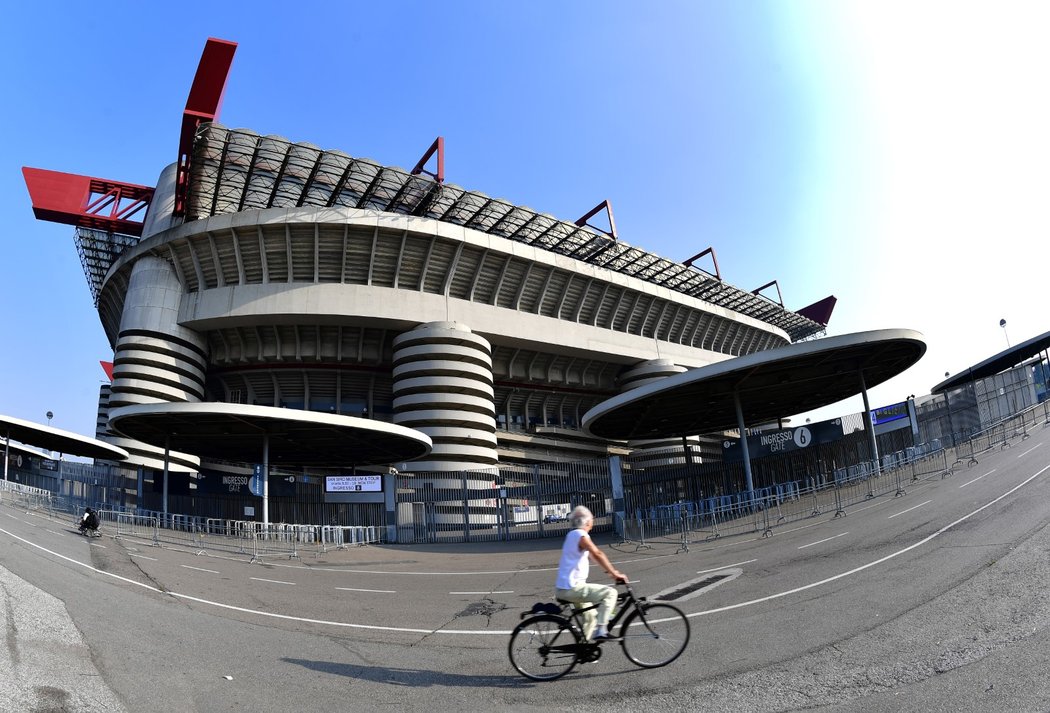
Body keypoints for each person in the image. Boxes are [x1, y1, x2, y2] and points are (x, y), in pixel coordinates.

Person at [555, 505, 627, 641]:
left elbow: (593, 556)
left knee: (590, 617)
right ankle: (601, 631)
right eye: (592, 519)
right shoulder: (580, 535)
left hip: (564, 588)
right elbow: (597, 553)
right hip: (573, 588)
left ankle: (582, 650)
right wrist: (614, 573)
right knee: (610, 593)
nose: (592, 522)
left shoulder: (571, 535)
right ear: (586, 521)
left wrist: (609, 571)